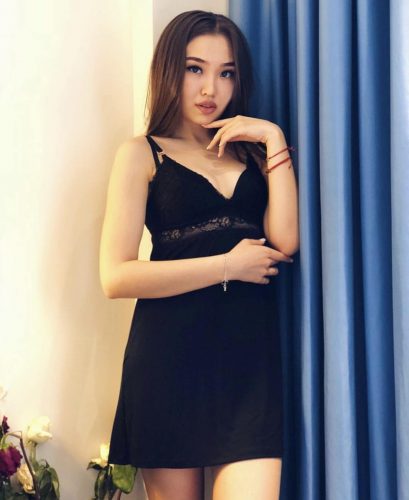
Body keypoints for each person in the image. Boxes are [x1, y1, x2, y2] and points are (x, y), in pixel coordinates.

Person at [99, 9, 299, 500]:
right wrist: (228, 266)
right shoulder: (142, 153)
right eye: (195, 69)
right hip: (167, 364)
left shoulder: (253, 154)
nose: (211, 88)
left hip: (248, 367)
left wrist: (273, 137)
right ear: (170, 69)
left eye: (226, 73)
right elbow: (115, 276)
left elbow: (286, 240)